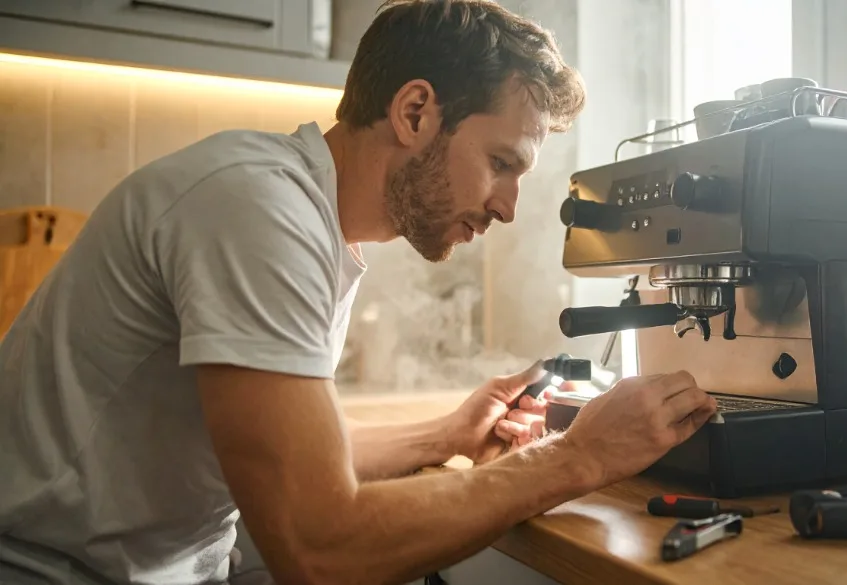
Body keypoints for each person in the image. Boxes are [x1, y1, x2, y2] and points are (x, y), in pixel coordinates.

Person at [0, 1, 718, 584]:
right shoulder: (257, 210)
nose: (507, 207)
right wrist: (575, 458)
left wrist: (444, 436)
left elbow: (282, 454)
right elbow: (320, 547)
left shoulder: (304, 217)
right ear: (414, 113)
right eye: (502, 162)